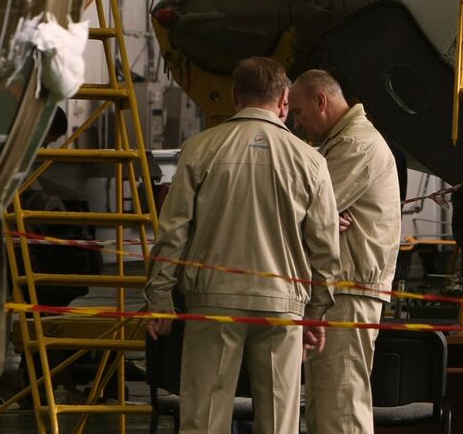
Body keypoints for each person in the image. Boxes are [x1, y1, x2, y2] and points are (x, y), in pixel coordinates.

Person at [144, 57, 340, 434]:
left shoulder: (198, 149)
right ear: (283, 100)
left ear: (235, 96)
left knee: (203, 420)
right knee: (279, 422)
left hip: (213, 304)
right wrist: (316, 312)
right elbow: (325, 248)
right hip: (283, 307)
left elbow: (172, 232)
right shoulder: (311, 161)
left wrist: (161, 299)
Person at [289, 70, 402, 434]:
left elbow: (304, 209)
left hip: (349, 293)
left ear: (321, 101)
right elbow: (313, 211)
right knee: (326, 410)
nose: (296, 122)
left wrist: (315, 217)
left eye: (298, 112)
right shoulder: (341, 143)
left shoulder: (356, 144)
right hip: (340, 291)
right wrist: (318, 218)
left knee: (341, 411)